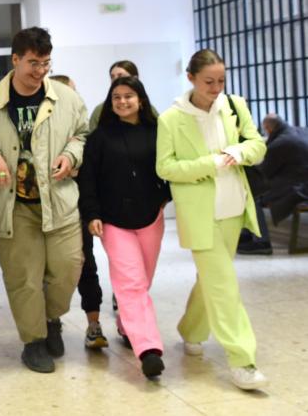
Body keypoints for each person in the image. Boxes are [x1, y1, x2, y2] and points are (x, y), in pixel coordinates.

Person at [0, 27, 88, 374]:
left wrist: (71, 154)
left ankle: (52, 319)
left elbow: (82, 134)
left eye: (46, 63)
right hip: (14, 205)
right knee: (24, 279)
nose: (40, 71)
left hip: (60, 201)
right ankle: (33, 341)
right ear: (15, 59)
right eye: (33, 63)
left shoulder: (66, 98)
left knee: (68, 270)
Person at [156, 49, 269, 390]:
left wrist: (237, 152)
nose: (216, 87)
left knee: (211, 280)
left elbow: (257, 145)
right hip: (200, 215)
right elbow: (165, 167)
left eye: (221, 80)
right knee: (224, 284)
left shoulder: (234, 106)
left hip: (234, 208)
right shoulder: (171, 119)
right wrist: (210, 163)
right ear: (190, 78)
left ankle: (190, 329)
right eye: (209, 81)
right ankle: (243, 360)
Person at [79, 76, 171, 379]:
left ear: (141, 100)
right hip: (113, 221)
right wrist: (92, 213)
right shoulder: (100, 137)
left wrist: (164, 198)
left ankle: (126, 325)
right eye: (116, 97)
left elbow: (170, 166)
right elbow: (88, 179)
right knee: (129, 282)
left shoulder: (158, 132)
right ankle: (148, 350)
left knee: (142, 281)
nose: (122, 102)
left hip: (150, 218)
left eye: (128, 96)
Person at [52, 73, 109, 350]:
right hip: (52, 208)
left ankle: (93, 324)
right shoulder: (44, 133)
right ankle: (51, 321)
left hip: (80, 208)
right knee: (49, 271)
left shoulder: (87, 132)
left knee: (87, 265)